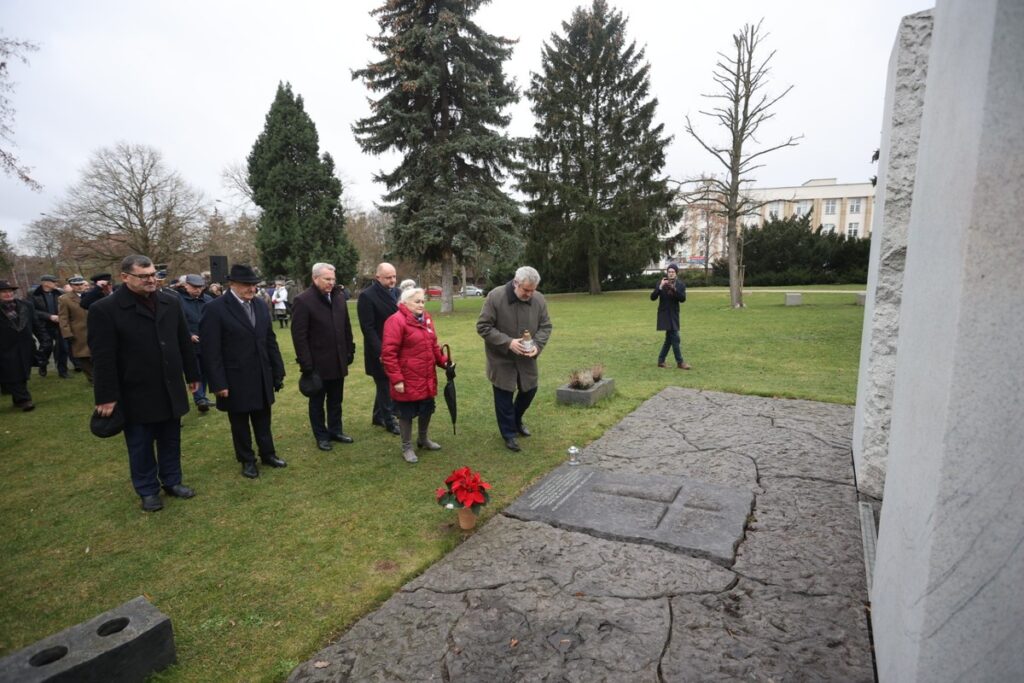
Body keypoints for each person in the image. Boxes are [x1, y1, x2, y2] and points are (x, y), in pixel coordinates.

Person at [88, 254, 200, 512]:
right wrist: (106, 395)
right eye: (144, 276)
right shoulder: (105, 309)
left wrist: (193, 375)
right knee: (140, 442)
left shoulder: (170, 301)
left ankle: (172, 481)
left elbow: (183, 341)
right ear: (125, 277)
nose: (151, 280)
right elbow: (103, 357)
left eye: (153, 275)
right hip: (135, 389)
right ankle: (147, 490)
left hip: (170, 385)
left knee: (171, 438)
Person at [200, 264, 287, 479]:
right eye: (246, 284)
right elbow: (211, 351)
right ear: (232, 284)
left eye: (254, 284)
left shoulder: (259, 305)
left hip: (261, 374)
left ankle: (268, 453)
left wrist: (278, 369)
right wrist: (218, 383)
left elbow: (269, 340)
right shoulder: (215, 309)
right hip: (235, 377)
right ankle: (247, 460)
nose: (251, 288)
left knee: (263, 417)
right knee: (239, 422)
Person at [476, 266, 552, 452]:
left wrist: (537, 346)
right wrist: (508, 342)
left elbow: (545, 326)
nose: (530, 294)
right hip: (501, 358)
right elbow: (483, 326)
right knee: (504, 395)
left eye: (533, 290)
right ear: (516, 283)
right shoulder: (495, 296)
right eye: (526, 290)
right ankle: (509, 434)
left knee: (530, 390)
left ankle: (516, 420)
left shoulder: (539, 299)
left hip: (527, 358)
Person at [291, 262, 356, 451]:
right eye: (327, 279)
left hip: (337, 359)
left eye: (333, 279)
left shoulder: (338, 297)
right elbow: (299, 336)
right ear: (315, 278)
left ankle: (336, 430)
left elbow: (346, 326)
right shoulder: (303, 300)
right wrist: (306, 364)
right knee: (317, 402)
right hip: (317, 363)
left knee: (336, 400)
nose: (331, 283)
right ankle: (321, 435)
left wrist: (350, 349)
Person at [381, 287, 449, 463]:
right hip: (407, 378)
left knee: (426, 408)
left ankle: (423, 439)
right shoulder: (395, 321)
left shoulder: (426, 318)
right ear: (405, 303)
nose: (421, 304)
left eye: (423, 301)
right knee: (406, 414)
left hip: (426, 375)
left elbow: (433, 345)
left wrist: (444, 362)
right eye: (417, 301)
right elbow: (389, 354)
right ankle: (407, 447)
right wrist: (397, 379)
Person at [357, 262, 400, 435]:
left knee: (386, 383)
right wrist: (381, 351)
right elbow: (367, 328)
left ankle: (377, 415)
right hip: (380, 349)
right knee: (384, 384)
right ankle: (389, 420)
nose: (392, 280)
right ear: (378, 277)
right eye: (388, 277)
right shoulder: (367, 296)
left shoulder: (398, 293)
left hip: (397, 347)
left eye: (394, 276)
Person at [0, 280, 48, 411]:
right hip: (4, 348)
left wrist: (44, 339)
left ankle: (17, 397)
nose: (8, 294)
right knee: (13, 372)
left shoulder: (26, 305)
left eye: (10, 291)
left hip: (25, 346)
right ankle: (24, 400)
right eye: (4, 292)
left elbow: (36, 325)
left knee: (23, 372)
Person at [178, 274, 214, 411]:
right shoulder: (178, 301)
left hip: (206, 342)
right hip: (189, 344)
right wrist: (189, 335)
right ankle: (199, 398)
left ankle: (202, 397)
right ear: (186, 286)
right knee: (195, 370)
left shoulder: (208, 300)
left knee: (204, 371)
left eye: (200, 287)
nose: (197, 290)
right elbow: (178, 322)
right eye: (194, 287)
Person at [651, 263, 690, 370]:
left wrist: (674, 290)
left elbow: (682, 299)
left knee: (669, 339)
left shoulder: (680, 285)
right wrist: (660, 287)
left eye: (673, 272)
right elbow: (652, 297)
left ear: (676, 273)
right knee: (675, 337)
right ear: (667, 273)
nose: (671, 274)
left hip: (674, 314)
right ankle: (680, 362)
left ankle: (661, 361)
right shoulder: (661, 282)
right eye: (669, 272)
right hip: (664, 314)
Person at [30, 274, 69, 378]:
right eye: (53, 282)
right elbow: (32, 310)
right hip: (42, 325)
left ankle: (63, 371)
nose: (56, 284)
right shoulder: (33, 294)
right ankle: (43, 364)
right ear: (45, 283)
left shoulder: (59, 293)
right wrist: (49, 316)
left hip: (58, 323)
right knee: (47, 346)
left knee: (63, 348)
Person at [58, 275, 93, 382]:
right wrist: (67, 333)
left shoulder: (91, 295)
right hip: (78, 331)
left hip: (94, 329)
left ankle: (100, 376)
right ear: (71, 286)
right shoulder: (65, 299)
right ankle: (92, 378)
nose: (79, 287)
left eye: (81, 284)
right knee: (84, 355)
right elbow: (63, 317)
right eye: (76, 285)